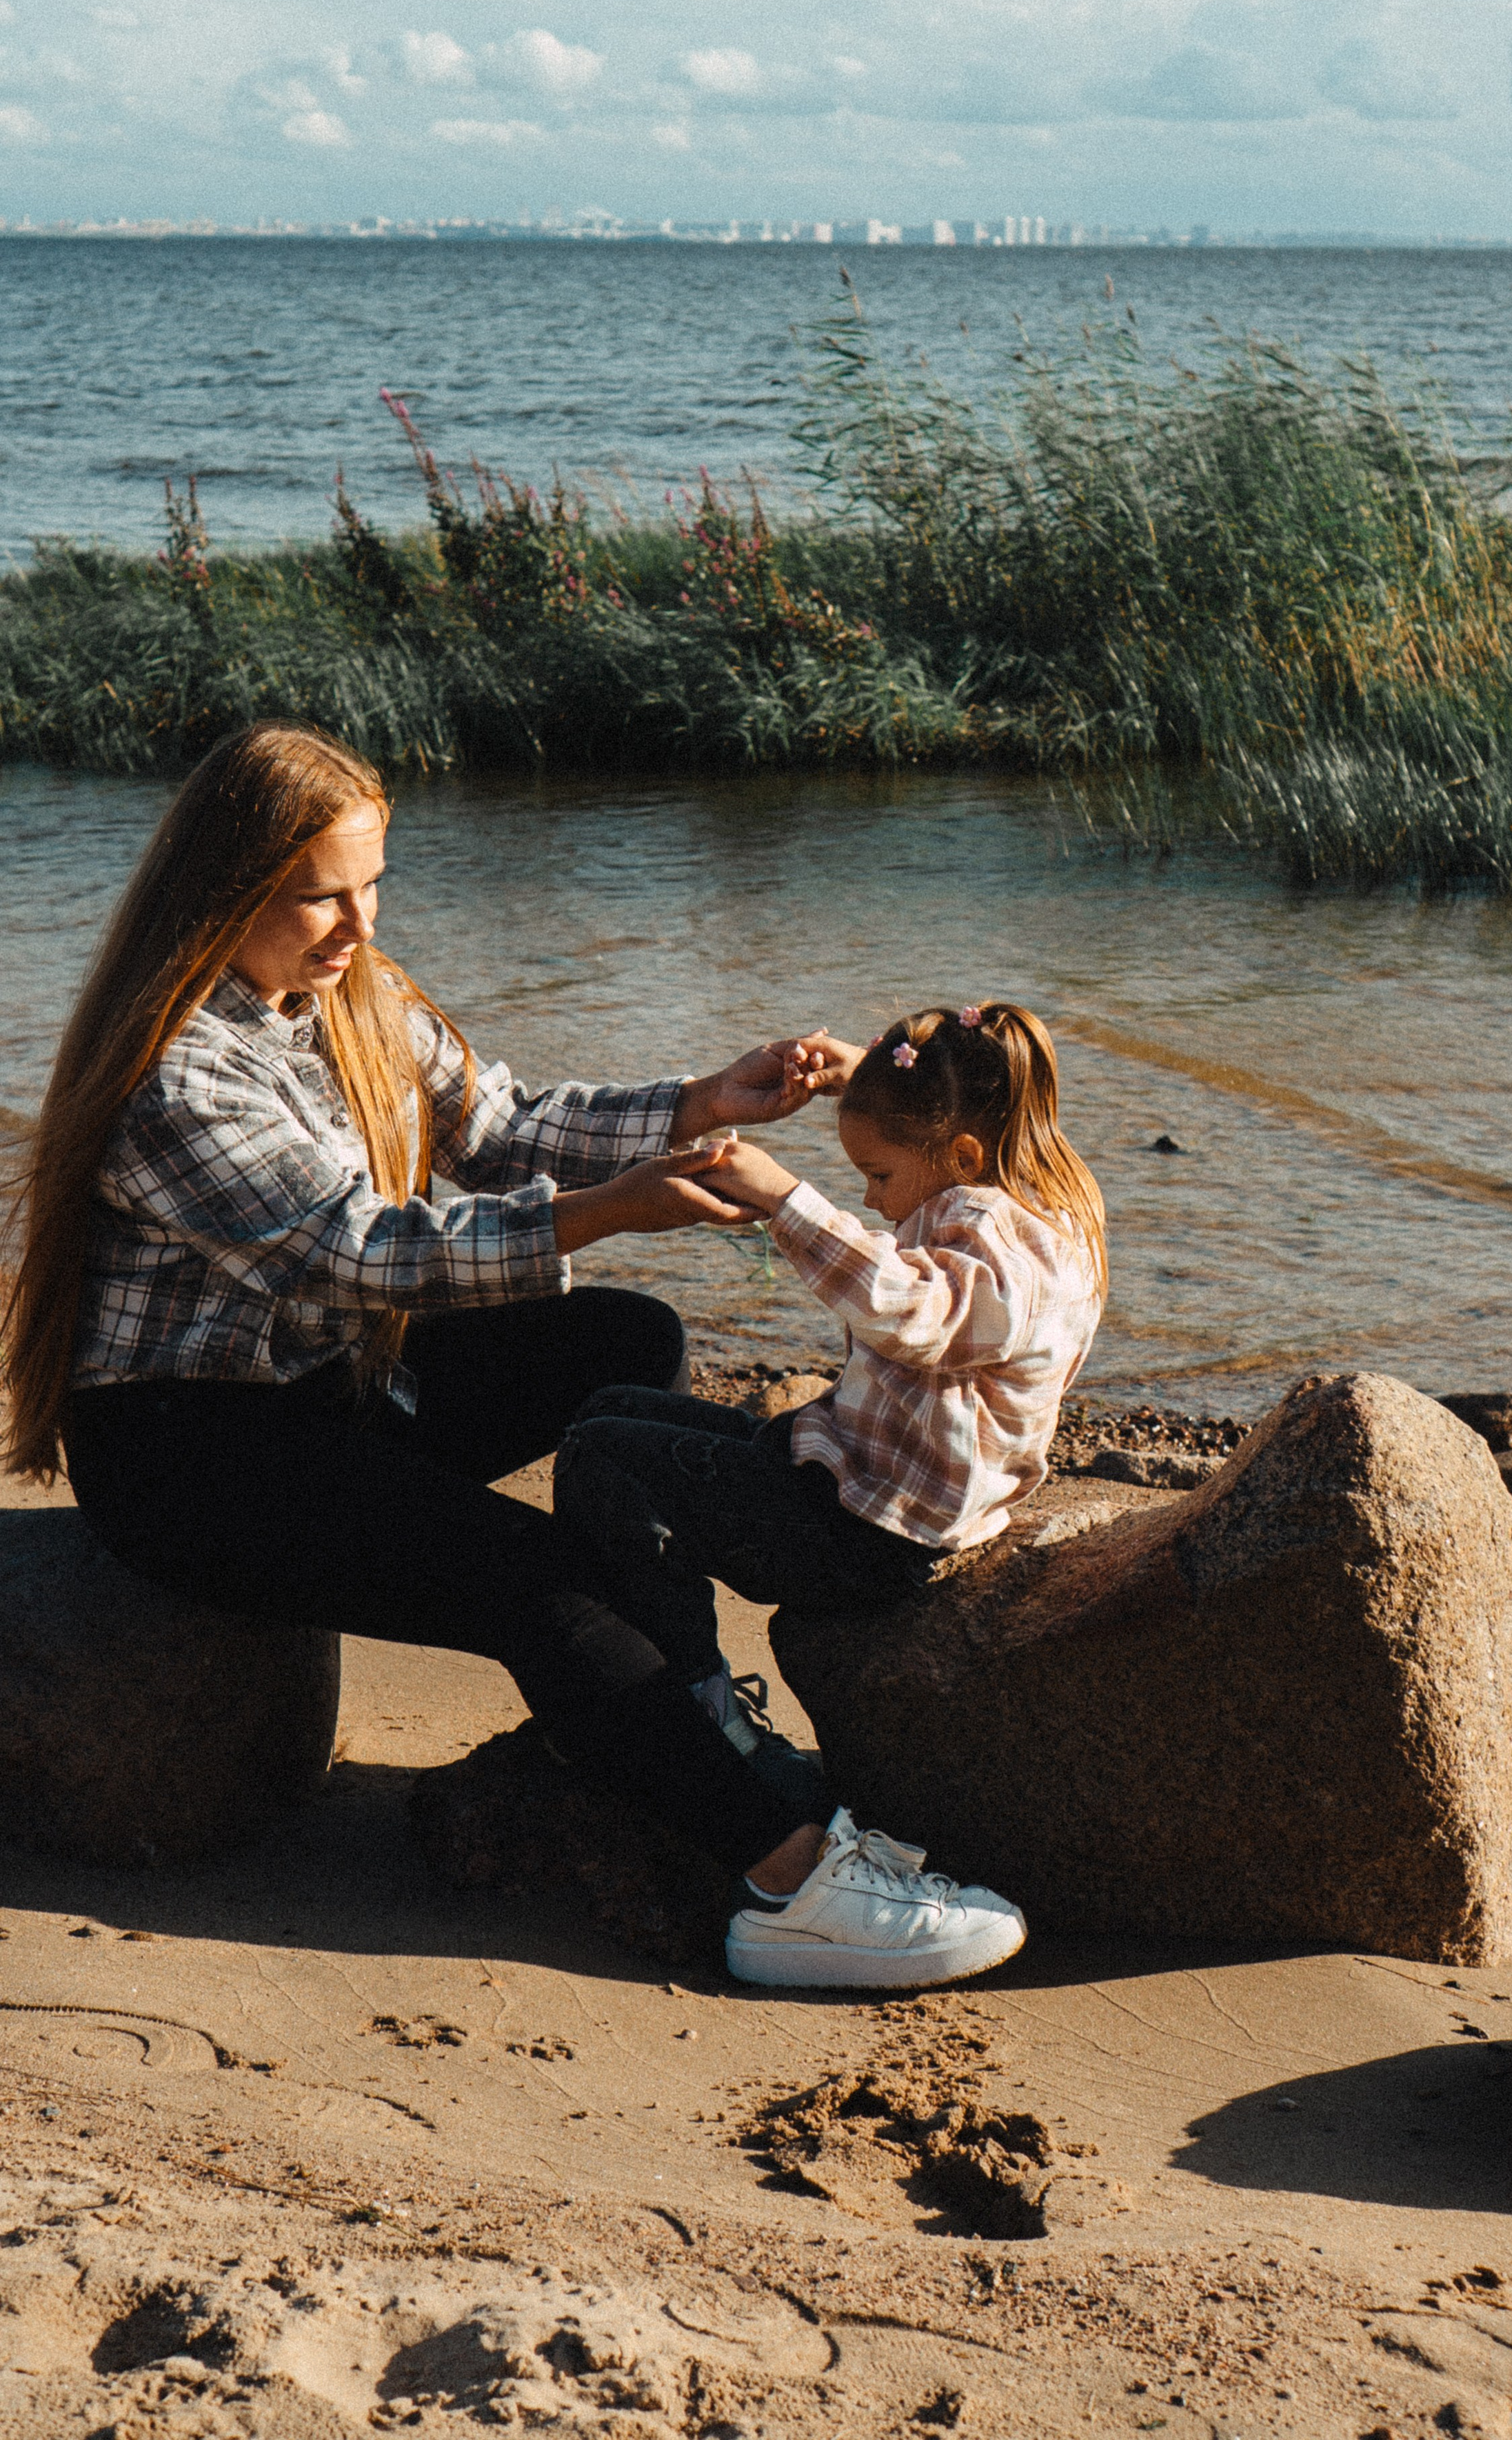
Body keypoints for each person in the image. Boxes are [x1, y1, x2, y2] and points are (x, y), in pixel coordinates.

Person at [1, 721, 1020, 1988]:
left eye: (373, 885)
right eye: (322, 897)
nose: (359, 924)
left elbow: (500, 1126)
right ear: (225, 891)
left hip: (337, 1384)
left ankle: (674, 1697)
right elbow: (359, 1253)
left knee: (628, 1343)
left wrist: (703, 1103)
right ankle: (787, 1882)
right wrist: (604, 1212)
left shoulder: (348, 992)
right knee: (536, 1580)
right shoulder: (179, 1076)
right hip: (194, 1454)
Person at [554, 1001, 1107, 1987]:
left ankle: (700, 1706)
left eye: (882, 1177)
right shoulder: (1036, 1188)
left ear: (964, 1153)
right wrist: (873, 1081)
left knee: (605, 1461)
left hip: (869, 1531)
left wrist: (788, 1200)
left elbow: (912, 1310)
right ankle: (657, 1668)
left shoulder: (1002, 1246)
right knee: (610, 1414)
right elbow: (951, 1134)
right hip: (857, 1464)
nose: (875, 1199)